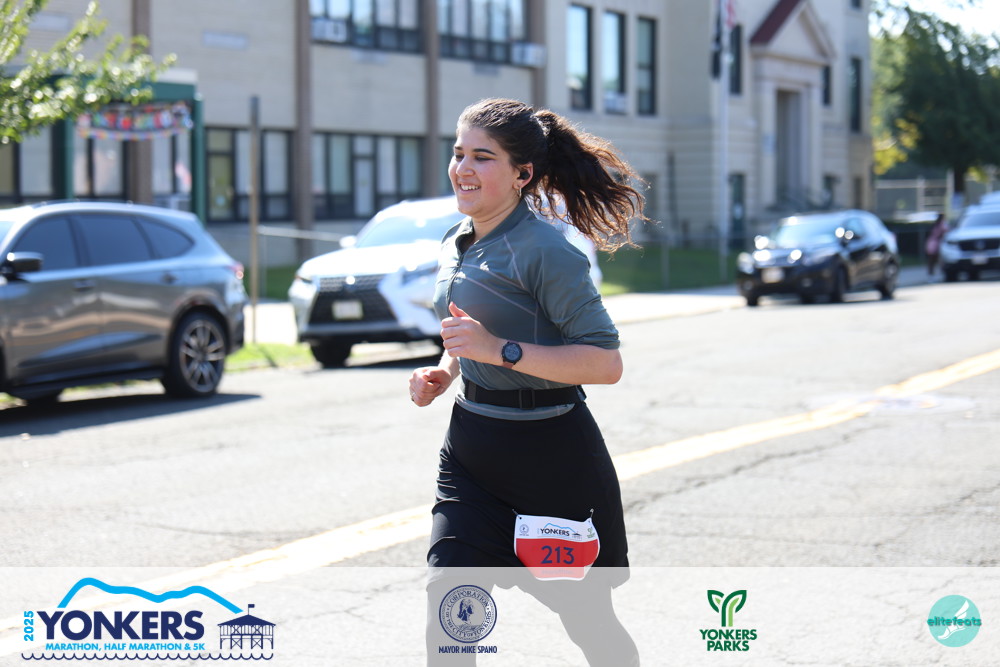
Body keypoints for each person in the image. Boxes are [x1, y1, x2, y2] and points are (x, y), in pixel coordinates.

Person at [408, 98, 645, 666]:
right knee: (450, 612)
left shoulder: (547, 251)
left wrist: (500, 351)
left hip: (552, 463)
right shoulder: (456, 239)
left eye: (482, 157)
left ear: (522, 173)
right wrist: (445, 369)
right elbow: (469, 332)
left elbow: (605, 363)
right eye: (459, 153)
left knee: (590, 626)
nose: (462, 168)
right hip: (472, 454)